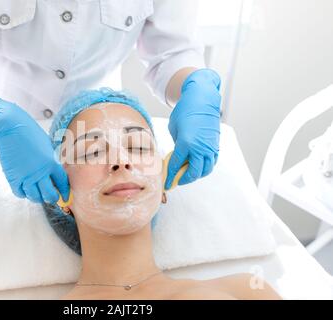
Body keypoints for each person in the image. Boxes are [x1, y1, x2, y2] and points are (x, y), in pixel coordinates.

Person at [0, 0, 221, 204]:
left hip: (96, 124)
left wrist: (195, 90)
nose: (124, 162)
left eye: (138, 146)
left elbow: (173, 52)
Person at [42, 88, 280, 300]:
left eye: (138, 147)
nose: (121, 161)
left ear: (165, 179)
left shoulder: (247, 290)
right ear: (59, 190)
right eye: (92, 152)